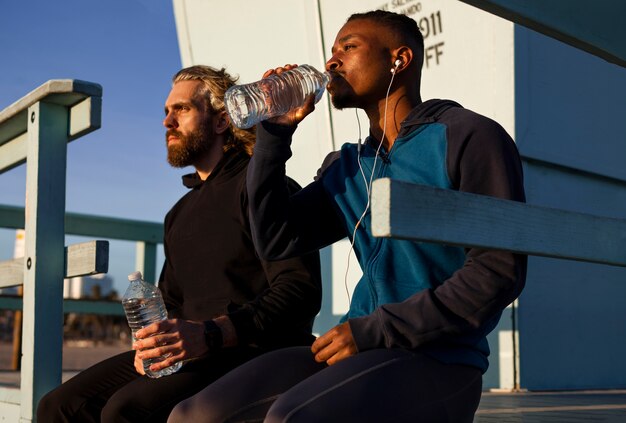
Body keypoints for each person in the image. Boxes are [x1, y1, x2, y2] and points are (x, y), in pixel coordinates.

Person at [169, 9, 526, 423]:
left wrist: (376, 329)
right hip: (354, 348)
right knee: (192, 415)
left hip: (442, 360)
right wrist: (273, 135)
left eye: (349, 47)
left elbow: (498, 271)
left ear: (399, 60)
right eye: (332, 50)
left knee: (291, 417)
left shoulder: (468, 135)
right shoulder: (349, 166)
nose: (331, 62)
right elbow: (277, 239)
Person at [36, 65, 322, 423]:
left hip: (251, 348)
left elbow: (299, 291)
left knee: (124, 411)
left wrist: (213, 333)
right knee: (57, 407)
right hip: (191, 349)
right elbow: (169, 300)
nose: (167, 121)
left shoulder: (262, 187)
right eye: (166, 112)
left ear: (221, 121)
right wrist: (149, 344)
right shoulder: (178, 212)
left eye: (182, 109)